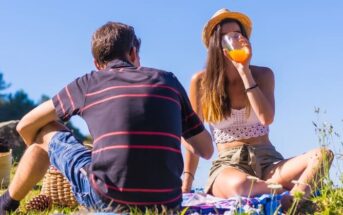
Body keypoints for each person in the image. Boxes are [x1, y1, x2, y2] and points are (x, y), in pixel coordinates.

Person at [0, 21, 214, 213]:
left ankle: (5, 204)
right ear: (132, 53)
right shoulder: (168, 80)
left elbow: (25, 125)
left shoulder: (89, 83)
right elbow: (206, 150)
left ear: (97, 63)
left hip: (108, 200)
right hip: (168, 204)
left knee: (45, 130)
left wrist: (41, 148)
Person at [182, 8, 334, 208]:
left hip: (268, 161)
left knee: (323, 155)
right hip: (229, 164)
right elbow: (194, 136)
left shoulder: (263, 75)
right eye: (226, 36)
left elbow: (266, 118)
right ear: (215, 44)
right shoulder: (200, 81)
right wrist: (187, 183)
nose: (233, 40)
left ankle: (291, 201)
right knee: (240, 185)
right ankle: (290, 192)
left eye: (237, 35)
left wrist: (244, 71)